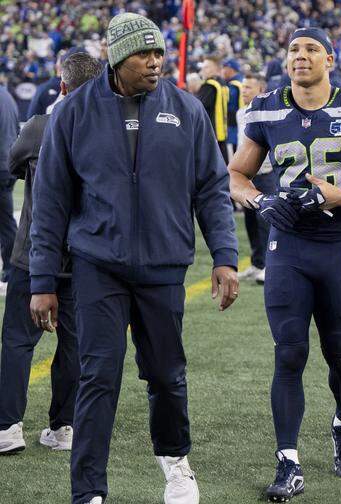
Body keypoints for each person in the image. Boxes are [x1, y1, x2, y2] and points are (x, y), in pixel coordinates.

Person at [29, 12, 239, 504]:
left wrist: (225, 257)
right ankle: (88, 492)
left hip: (164, 267)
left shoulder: (187, 110)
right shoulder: (75, 111)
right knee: (98, 375)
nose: (155, 62)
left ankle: (176, 463)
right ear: (117, 57)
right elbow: (51, 201)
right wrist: (42, 279)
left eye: (159, 53)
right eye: (144, 54)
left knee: (167, 374)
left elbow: (211, 189)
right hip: (97, 265)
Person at [227, 27, 341, 502]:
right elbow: (237, 175)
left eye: (310, 50)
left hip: (337, 245)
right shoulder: (266, 107)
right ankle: (288, 461)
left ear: (329, 58)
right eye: (293, 50)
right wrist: (260, 202)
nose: (300, 57)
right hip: (288, 247)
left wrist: (338, 196)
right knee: (288, 353)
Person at [0, 52, 103, 456]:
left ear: (61, 86)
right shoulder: (106, 132)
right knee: (74, 344)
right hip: (82, 255)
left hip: (33, 252)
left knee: (17, 341)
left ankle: (8, 426)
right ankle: (63, 426)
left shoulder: (39, 126)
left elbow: (12, 165)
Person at [235, 73, 276, 284]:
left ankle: (270, 265)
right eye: (243, 87)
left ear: (261, 90)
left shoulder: (269, 111)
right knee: (250, 221)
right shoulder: (241, 112)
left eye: (249, 88)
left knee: (265, 220)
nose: (244, 91)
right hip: (247, 176)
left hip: (267, 173)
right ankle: (257, 263)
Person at [0, 83, 19, 292]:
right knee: (5, 221)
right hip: (8, 164)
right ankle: (10, 267)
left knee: (6, 224)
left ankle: (11, 268)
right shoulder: (7, 95)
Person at [197, 55, 229, 162]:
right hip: (222, 133)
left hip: (210, 133)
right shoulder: (222, 83)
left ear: (216, 69)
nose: (203, 70)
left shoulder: (209, 86)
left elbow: (198, 107)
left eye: (206, 67)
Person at [222, 58, 244, 159]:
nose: (222, 71)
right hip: (241, 122)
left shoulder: (234, 85)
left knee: (234, 154)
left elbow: (228, 104)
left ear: (230, 69)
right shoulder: (241, 80)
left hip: (234, 124)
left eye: (224, 68)